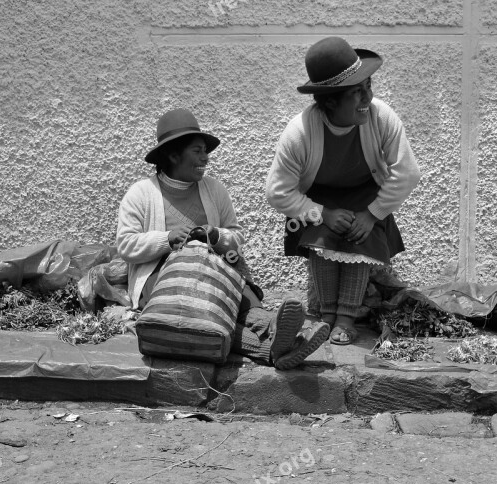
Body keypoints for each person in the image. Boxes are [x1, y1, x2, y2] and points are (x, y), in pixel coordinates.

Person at [118, 108, 328, 369]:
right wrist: (167, 239)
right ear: (173, 155)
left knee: (241, 300)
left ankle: (275, 329)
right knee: (206, 313)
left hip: (216, 272)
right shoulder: (141, 194)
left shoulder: (215, 190)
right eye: (197, 151)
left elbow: (236, 237)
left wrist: (216, 235)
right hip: (164, 281)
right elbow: (126, 244)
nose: (206, 158)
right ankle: (276, 347)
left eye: (205, 151)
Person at [266, 37, 422, 345]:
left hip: (366, 199)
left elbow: (407, 173)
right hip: (320, 200)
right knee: (324, 240)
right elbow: (278, 191)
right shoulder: (299, 132)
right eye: (356, 92)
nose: (368, 96)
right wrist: (322, 214)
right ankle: (325, 317)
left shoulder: (381, 117)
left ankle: (345, 319)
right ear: (331, 101)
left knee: (359, 238)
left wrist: (371, 215)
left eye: (369, 85)